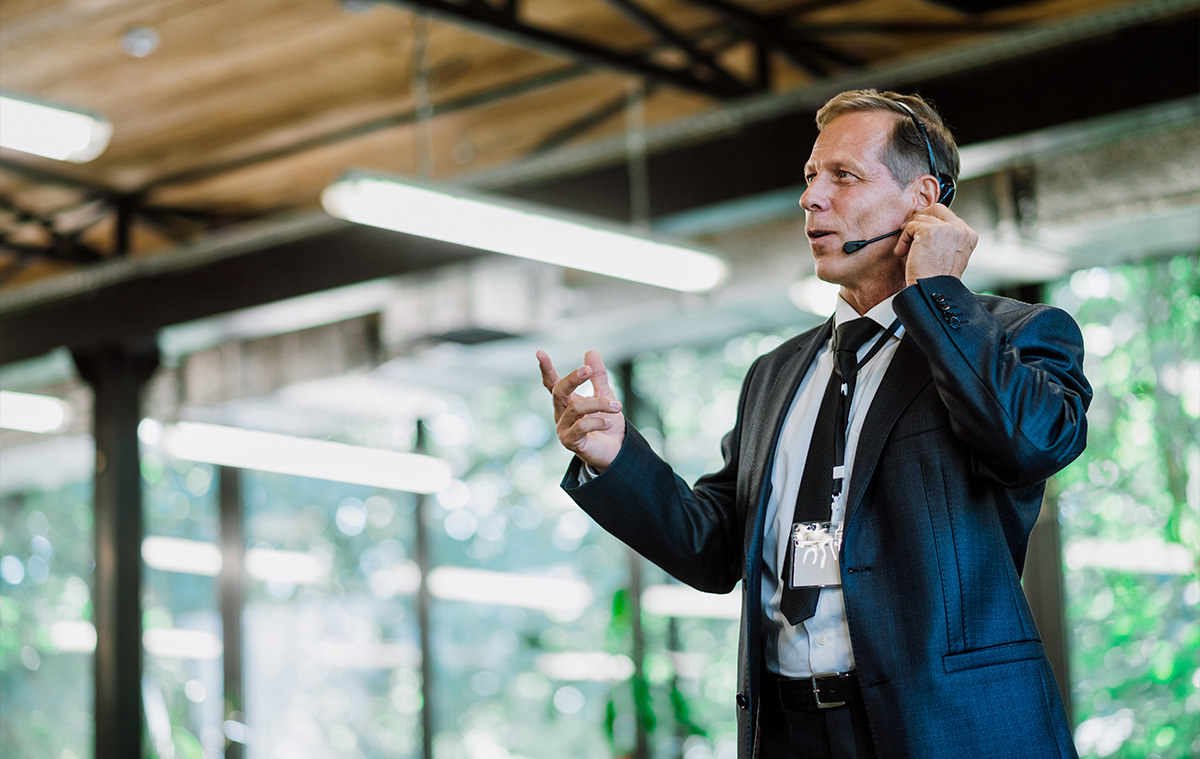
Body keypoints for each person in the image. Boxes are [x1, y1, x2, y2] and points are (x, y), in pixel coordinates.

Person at [536, 89, 1090, 759]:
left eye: (843, 176)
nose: (811, 198)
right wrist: (614, 456)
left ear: (923, 200)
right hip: (792, 732)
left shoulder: (1015, 335)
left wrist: (938, 293)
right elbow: (713, 549)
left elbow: (1032, 441)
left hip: (948, 730)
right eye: (809, 177)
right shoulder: (775, 372)